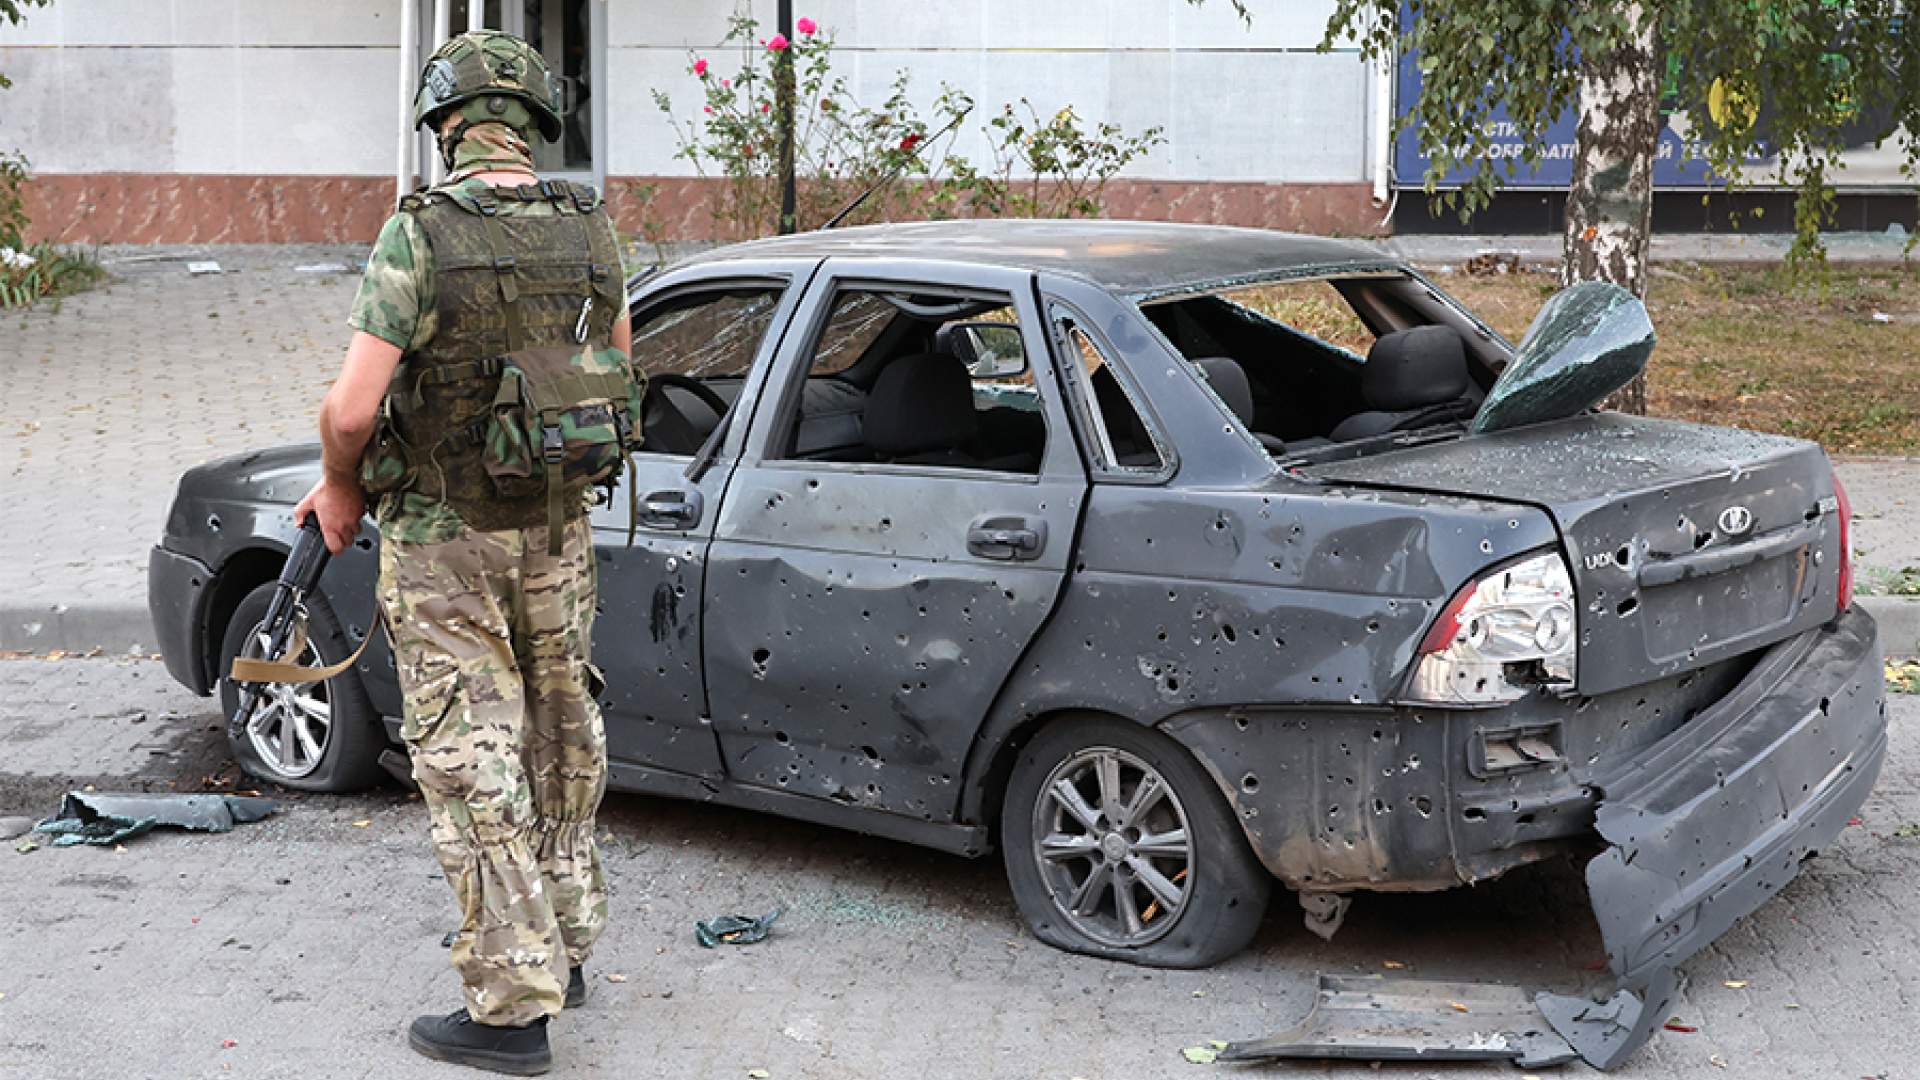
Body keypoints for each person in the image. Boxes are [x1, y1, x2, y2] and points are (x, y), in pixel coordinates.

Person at [293, 29, 640, 1076]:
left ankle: (512, 1009)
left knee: (470, 753)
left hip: (447, 540)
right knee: (560, 731)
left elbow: (352, 409)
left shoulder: (421, 236)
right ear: (537, 125)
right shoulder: (590, 229)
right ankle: (564, 946)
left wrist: (343, 484)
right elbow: (620, 376)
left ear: (447, 127)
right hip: (557, 529)